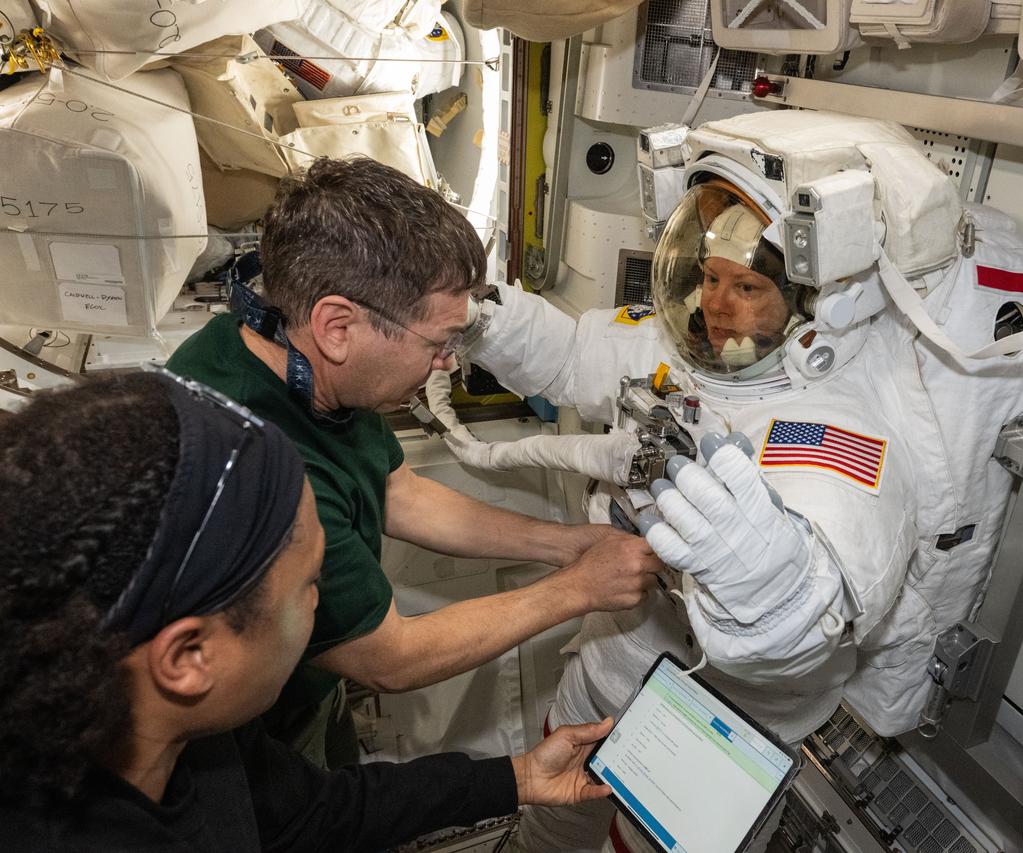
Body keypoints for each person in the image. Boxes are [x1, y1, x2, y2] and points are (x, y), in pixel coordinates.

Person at [457, 112, 1023, 852]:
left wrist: (765, 586)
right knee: (553, 823)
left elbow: (824, 590)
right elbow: (571, 355)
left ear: (813, 302)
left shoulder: (833, 423)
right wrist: (479, 323)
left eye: (747, 286)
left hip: (724, 713)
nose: (717, 303)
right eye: (711, 278)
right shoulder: (679, 348)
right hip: (615, 655)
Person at [166, 156, 663, 768]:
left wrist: (563, 544)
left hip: (309, 694)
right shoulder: (264, 463)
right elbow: (389, 658)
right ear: (338, 326)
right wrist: (580, 589)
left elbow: (401, 493)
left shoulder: (276, 352)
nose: (450, 363)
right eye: (439, 343)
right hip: (249, 743)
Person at [0, 371, 616, 851]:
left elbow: (313, 813)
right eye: (308, 585)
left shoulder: (200, 740)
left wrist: (518, 777)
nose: (322, 602)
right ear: (189, 657)